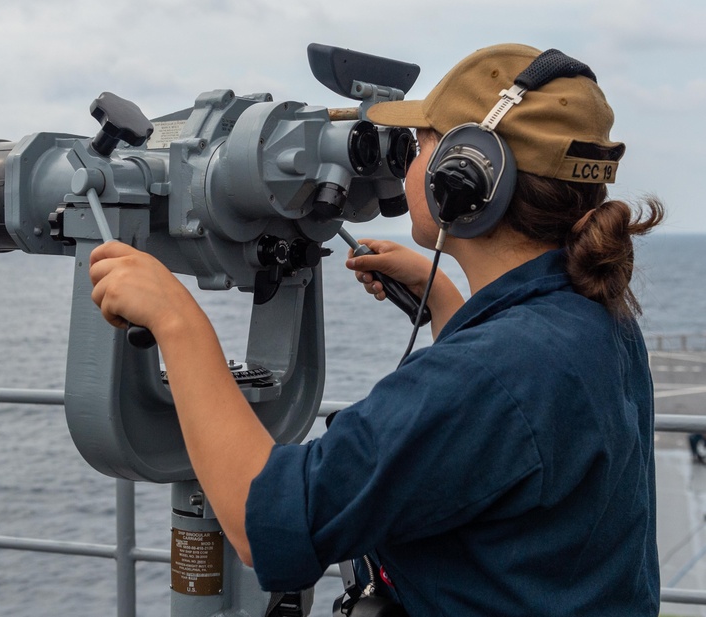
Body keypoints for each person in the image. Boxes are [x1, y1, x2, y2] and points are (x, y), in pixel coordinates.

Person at [89, 43, 663, 616]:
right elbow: (510, 435)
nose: (407, 166)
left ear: (462, 178)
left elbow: (258, 519)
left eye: (421, 148)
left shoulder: (488, 374)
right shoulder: (597, 313)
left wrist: (177, 320)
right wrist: (445, 302)